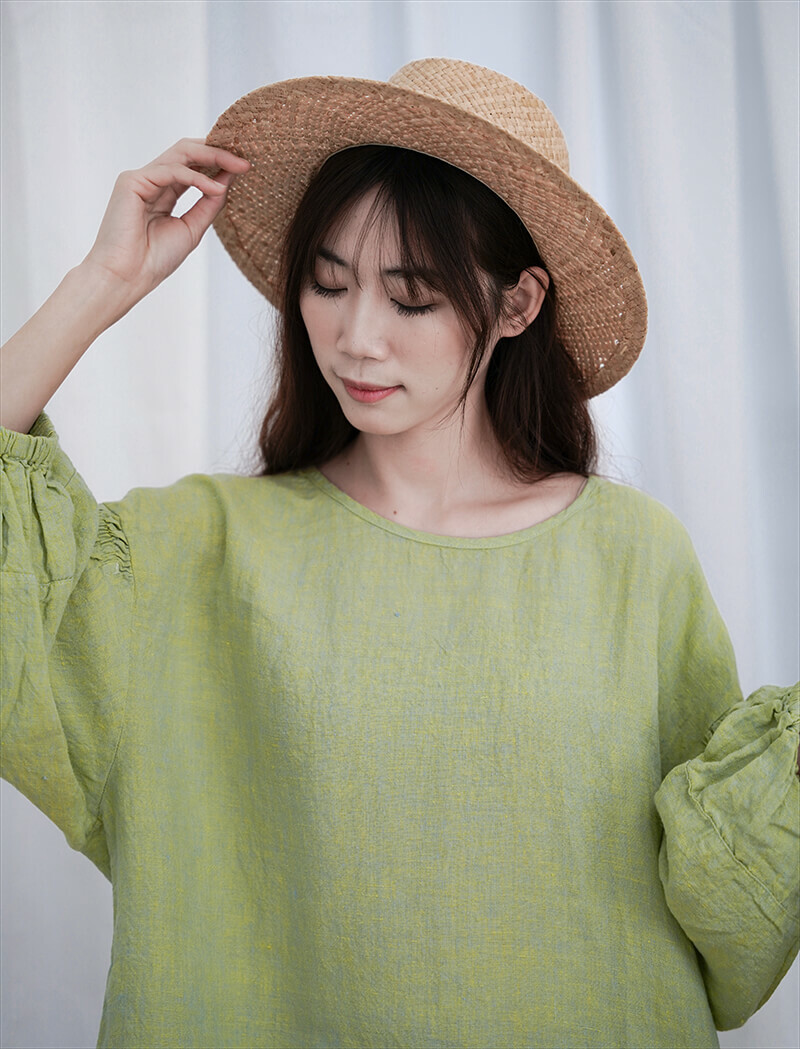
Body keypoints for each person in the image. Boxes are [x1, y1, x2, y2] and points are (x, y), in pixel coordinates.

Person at [0, 58, 797, 1049]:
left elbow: (732, 912)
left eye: (412, 297)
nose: (356, 338)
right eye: (327, 284)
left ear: (517, 304)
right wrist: (102, 283)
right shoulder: (200, 554)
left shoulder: (634, 558)